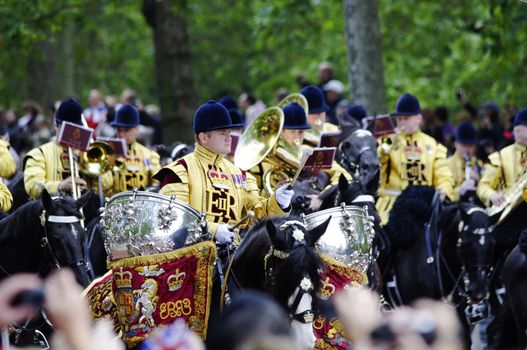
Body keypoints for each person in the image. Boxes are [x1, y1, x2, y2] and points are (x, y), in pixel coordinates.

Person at [154, 101, 293, 244]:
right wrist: (213, 230)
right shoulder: (178, 171)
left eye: (228, 132)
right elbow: (172, 222)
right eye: (222, 133)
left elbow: (257, 217)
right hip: (192, 255)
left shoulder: (241, 174)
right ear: (204, 137)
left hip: (233, 256)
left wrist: (277, 202)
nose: (229, 138)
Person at [249, 102, 351, 211]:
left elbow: (345, 176)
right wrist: (275, 194)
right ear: (281, 131)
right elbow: (254, 200)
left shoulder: (310, 151)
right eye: (292, 131)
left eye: (301, 132)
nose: (297, 137)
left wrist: (321, 197)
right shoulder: (263, 161)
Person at [376, 93, 454, 225]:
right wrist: (392, 138)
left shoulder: (432, 144)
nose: (401, 122)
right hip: (390, 206)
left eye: (406, 118)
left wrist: (444, 188)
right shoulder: (388, 140)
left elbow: (443, 173)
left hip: (422, 206)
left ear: (418, 118)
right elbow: (379, 155)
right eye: (399, 119)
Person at [23, 98, 113, 200]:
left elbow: (107, 184)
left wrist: (88, 165)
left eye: (77, 128)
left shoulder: (86, 153)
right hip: (51, 213)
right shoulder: (39, 154)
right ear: (56, 125)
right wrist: (60, 186)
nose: (73, 133)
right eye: (68, 128)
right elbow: (32, 185)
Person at [478, 108, 527, 209]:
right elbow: (483, 186)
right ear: (517, 130)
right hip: (512, 213)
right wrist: (492, 195)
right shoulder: (501, 156)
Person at [110, 104, 160, 195]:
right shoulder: (108, 153)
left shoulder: (149, 155)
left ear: (136, 129)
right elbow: (103, 188)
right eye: (119, 130)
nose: (121, 134)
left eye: (126, 130)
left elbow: (156, 185)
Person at [446, 122, 483, 202]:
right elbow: (445, 194)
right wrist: (460, 190)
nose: (467, 149)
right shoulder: (447, 164)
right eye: (464, 145)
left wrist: (479, 180)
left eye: (470, 145)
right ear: (456, 144)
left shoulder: (478, 163)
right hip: (455, 208)